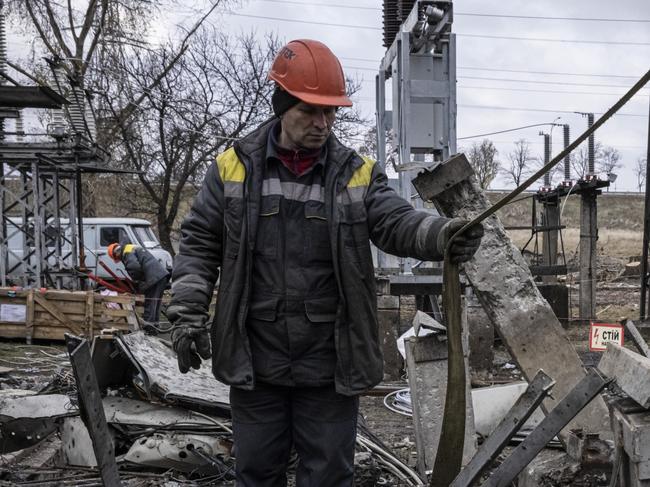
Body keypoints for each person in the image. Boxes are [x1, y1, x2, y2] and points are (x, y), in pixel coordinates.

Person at [167, 39, 483, 487]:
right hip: (257, 364)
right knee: (256, 474)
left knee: (329, 478)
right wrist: (186, 313)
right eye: (310, 111)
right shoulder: (232, 169)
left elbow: (395, 221)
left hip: (330, 366)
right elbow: (199, 244)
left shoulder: (354, 174)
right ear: (282, 106)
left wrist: (441, 235)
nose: (323, 123)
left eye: (330, 113)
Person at [107, 242, 170, 326]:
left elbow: (134, 267)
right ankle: (155, 326)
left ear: (116, 253)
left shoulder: (126, 252)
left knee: (150, 303)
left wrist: (137, 282)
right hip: (161, 276)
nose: (119, 259)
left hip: (153, 278)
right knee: (156, 303)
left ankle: (149, 328)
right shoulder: (130, 247)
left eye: (118, 258)